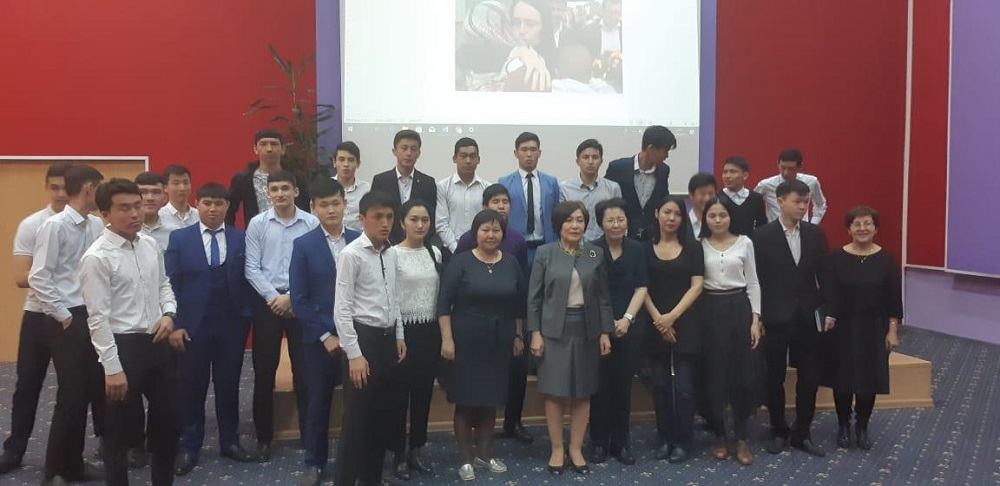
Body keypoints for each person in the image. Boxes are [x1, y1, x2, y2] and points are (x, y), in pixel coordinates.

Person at [79, 178, 179, 486]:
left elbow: (163, 284)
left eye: (137, 206)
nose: (135, 213)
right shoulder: (97, 257)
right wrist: (112, 369)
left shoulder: (149, 244)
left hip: (157, 341)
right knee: (118, 433)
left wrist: (169, 313)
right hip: (121, 348)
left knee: (168, 423)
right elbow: (97, 318)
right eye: (124, 208)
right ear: (105, 214)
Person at [166, 183, 257, 477]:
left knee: (228, 385)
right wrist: (176, 323)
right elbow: (169, 283)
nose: (213, 209)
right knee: (191, 387)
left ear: (228, 207)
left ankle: (230, 442)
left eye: (219, 203)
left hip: (231, 324)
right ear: (198, 204)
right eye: (207, 203)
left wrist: (246, 315)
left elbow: (250, 276)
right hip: (192, 325)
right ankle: (189, 446)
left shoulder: (240, 237)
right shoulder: (180, 238)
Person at [29, 164, 107, 485]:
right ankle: (54, 471)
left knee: (88, 392)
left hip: (92, 314)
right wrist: (63, 316)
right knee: (71, 395)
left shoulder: (96, 224)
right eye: (99, 188)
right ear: (89, 188)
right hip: (66, 318)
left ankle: (74, 464)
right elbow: (39, 277)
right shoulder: (54, 226)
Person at [438, 209, 526, 481]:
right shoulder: (461, 262)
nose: (491, 235)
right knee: (466, 400)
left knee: (491, 400)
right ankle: (465, 458)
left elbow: (519, 305)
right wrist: (447, 339)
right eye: (485, 229)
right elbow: (443, 304)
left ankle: (484, 455)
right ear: (475, 233)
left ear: (503, 234)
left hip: (500, 340)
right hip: (466, 340)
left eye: (496, 230)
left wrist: (518, 335)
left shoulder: (511, 262)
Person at [528, 201, 613, 476]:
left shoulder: (594, 253)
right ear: (558, 225)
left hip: (587, 329)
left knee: (582, 391)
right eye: (569, 220)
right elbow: (534, 298)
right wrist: (535, 333)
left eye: (580, 220)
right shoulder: (545, 253)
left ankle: (576, 448)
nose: (575, 225)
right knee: (555, 392)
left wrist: (605, 331)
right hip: (553, 331)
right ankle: (556, 448)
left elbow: (603, 297)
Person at [288, 179, 361, 486]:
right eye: (324, 205)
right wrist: (325, 335)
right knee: (318, 404)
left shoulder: (359, 240)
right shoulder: (303, 245)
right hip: (319, 341)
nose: (331, 209)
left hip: (357, 338)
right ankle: (314, 462)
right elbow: (299, 299)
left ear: (345, 204)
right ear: (313, 208)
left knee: (357, 406)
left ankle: (356, 461)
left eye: (335, 203)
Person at [244, 170, 320, 461]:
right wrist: (274, 297)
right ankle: (264, 438)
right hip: (268, 305)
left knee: (305, 372)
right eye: (274, 189)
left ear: (296, 192)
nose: (280, 194)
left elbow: (315, 266)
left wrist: (292, 297)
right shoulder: (258, 224)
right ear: (268, 193)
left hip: (301, 304)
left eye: (285, 188)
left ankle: (308, 433)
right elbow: (251, 267)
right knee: (264, 373)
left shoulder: (311, 223)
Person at [334, 190, 407, 486]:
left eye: (389, 217)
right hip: (363, 341)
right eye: (378, 217)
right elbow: (342, 309)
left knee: (381, 416)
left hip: (388, 340)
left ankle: (371, 479)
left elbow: (395, 297)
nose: (385, 223)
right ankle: (345, 480)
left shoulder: (391, 252)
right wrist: (354, 354)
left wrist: (399, 334)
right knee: (357, 420)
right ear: (362, 219)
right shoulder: (351, 254)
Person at [1, 163, 70, 475]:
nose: (60, 193)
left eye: (65, 187)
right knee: (27, 385)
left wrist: (50, 275)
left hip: (73, 317)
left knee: (73, 390)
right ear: (46, 189)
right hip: (38, 316)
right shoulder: (33, 224)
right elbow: (20, 277)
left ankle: (69, 458)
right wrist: (61, 277)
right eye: (54, 187)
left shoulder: (89, 224)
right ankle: (14, 450)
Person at [752, 179, 830, 457]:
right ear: (780, 201)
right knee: (774, 377)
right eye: (797, 202)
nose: (802, 207)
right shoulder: (761, 236)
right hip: (775, 317)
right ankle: (778, 429)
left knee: (809, 377)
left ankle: (802, 431)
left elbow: (826, 275)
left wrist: (828, 311)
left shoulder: (815, 234)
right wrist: (758, 317)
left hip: (808, 318)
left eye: (805, 202)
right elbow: (756, 280)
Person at [821, 207, 902, 451]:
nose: (862, 228)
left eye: (868, 223)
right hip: (842, 327)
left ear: (876, 228)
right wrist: (828, 317)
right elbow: (830, 294)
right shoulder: (836, 258)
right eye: (857, 224)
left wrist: (892, 330)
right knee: (842, 379)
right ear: (849, 229)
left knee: (869, 380)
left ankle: (862, 426)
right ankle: (844, 425)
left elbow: (893, 299)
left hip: (874, 328)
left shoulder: (887, 260)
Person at [699, 197, 764, 465]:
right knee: (714, 375)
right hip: (709, 310)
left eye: (722, 215)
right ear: (705, 219)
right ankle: (718, 434)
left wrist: (755, 319)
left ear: (730, 217)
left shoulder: (745, 242)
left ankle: (742, 438)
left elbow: (753, 283)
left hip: (739, 308)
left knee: (742, 376)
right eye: (712, 215)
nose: (717, 220)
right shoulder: (699, 244)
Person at [641, 196, 704, 464]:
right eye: (667, 212)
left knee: (684, 387)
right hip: (653, 322)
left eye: (677, 214)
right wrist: (659, 319)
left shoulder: (693, 247)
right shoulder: (645, 248)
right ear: (657, 214)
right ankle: (665, 438)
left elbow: (697, 286)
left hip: (686, 322)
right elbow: (641, 288)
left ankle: (682, 441)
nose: (671, 218)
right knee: (660, 386)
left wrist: (672, 317)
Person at [588, 198, 648, 466]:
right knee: (599, 389)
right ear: (601, 223)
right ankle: (599, 442)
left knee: (623, 388)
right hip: (598, 330)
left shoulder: (637, 249)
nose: (616, 224)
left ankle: (621, 443)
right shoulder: (591, 251)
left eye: (620, 219)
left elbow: (642, 287)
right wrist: (605, 325)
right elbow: (589, 291)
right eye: (610, 220)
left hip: (629, 327)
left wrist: (627, 319)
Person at [386, 199, 443, 480]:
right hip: (401, 334)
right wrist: (398, 333)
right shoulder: (392, 254)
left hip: (430, 333)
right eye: (414, 219)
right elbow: (391, 298)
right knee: (398, 396)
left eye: (425, 220)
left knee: (423, 394)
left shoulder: (435, 252)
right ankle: (397, 453)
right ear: (402, 223)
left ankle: (416, 450)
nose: (420, 225)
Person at [227, 128, 311, 228]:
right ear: (255, 149)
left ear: (283, 149)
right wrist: (231, 234)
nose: (269, 149)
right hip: (257, 233)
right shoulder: (243, 178)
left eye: (274, 144)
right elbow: (229, 210)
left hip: (294, 231)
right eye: (263, 144)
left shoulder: (297, 177)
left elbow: (307, 207)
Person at [605, 125, 676, 242]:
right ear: (651, 148)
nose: (666, 156)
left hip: (651, 237)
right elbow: (606, 202)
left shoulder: (663, 170)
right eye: (665, 151)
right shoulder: (617, 168)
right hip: (621, 235)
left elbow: (663, 200)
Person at [499, 132, 560, 264]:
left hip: (546, 244)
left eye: (533, 149)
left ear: (539, 153)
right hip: (515, 246)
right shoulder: (504, 182)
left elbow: (556, 215)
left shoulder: (551, 182)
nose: (529, 154)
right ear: (516, 153)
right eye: (524, 149)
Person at [371, 129, 437, 244]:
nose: (409, 153)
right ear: (394, 151)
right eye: (404, 148)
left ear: (419, 153)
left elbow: (431, 219)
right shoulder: (381, 181)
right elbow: (375, 215)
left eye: (413, 149)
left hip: (418, 245)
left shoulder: (428, 183)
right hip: (386, 244)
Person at [456, 185, 530, 279]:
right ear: (485, 207)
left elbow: (523, 276)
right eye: (495, 202)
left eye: (505, 202)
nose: (501, 206)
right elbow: (455, 270)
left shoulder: (517, 239)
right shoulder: (468, 238)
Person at [559, 139, 623, 241]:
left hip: (605, 244)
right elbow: (560, 221)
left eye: (595, 157)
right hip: (575, 243)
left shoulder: (612, 188)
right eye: (585, 157)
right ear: (577, 161)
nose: (590, 162)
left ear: (601, 161)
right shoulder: (564, 188)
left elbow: (619, 218)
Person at [436, 137, 490, 253]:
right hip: (451, 250)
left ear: (478, 160)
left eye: (472, 156)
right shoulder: (443, 186)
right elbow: (441, 223)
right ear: (454, 159)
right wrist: (455, 248)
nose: (468, 161)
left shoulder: (487, 188)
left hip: (481, 249)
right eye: (463, 156)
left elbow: (489, 222)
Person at [754, 149, 828, 224]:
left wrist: (813, 223)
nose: (786, 173)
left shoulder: (811, 182)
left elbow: (820, 204)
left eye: (791, 169)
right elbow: (752, 202)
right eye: (783, 167)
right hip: (774, 228)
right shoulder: (766, 185)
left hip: (802, 228)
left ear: (800, 166)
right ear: (778, 164)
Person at [718, 156, 768, 236]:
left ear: (745, 175)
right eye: (725, 172)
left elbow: (761, 226)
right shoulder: (716, 198)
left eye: (732, 172)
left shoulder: (756, 199)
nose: (727, 176)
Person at [331, 141, 370, 233]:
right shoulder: (325, 187)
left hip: (359, 238)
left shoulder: (367, 189)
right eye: (341, 159)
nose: (346, 164)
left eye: (351, 160)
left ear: (358, 163)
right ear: (334, 162)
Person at [135, 171, 171, 252]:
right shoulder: (122, 231)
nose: (150, 198)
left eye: (156, 192)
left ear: (165, 198)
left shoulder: (174, 232)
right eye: (143, 192)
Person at [158, 165, 199, 232]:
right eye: (176, 183)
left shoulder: (199, 216)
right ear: (165, 188)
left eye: (186, 183)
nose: (182, 188)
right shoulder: (159, 216)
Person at [686, 173, 717, 240]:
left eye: (711, 194)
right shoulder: (682, 223)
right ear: (691, 195)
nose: (707, 198)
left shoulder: (721, 223)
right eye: (702, 194)